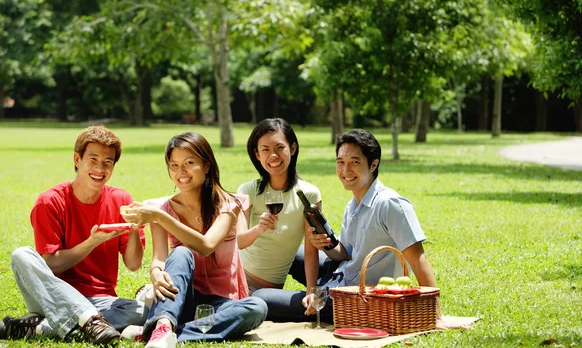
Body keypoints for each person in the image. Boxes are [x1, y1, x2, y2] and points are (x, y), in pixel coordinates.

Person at [253, 128, 439, 324]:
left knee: (261, 298)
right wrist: (326, 244)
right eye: (341, 162)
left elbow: (419, 261)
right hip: (342, 276)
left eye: (354, 162)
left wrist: (436, 315)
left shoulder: (390, 204)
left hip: (358, 300)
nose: (345, 170)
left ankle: (314, 298)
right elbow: (345, 254)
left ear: (373, 164)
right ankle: (314, 289)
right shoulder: (353, 204)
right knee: (294, 252)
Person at [0, 126, 147, 345]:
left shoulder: (121, 199)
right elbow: (51, 266)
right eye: (93, 159)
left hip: (101, 300)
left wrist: (135, 228)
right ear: (77, 159)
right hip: (51, 296)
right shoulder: (50, 202)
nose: (100, 168)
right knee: (22, 255)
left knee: (145, 310)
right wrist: (91, 242)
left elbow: (134, 264)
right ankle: (86, 320)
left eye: (108, 162)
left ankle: (43, 327)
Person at [120, 132, 267, 348]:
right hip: (182, 299)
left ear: (206, 165)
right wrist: (156, 273)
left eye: (189, 163)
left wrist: (161, 217)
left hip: (222, 303)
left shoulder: (229, 205)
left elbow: (206, 245)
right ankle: (163, 326)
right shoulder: (162, 208)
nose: (181, 172)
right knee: (180, 253)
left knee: (256, 307)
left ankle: (161, 331)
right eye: (174, 165)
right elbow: (159, 258)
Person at [236, 118, 322, 315]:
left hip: (269, 292)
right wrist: (258, 228)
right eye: (265, 149)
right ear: (257, 154)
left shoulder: (308, 194)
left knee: (314, 304)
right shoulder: (248, 190)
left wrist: (311, 291)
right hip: (237, 281)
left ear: (292, 148)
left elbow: (311, 251)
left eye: (279, 147)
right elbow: (239, 242)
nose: (273, 155)